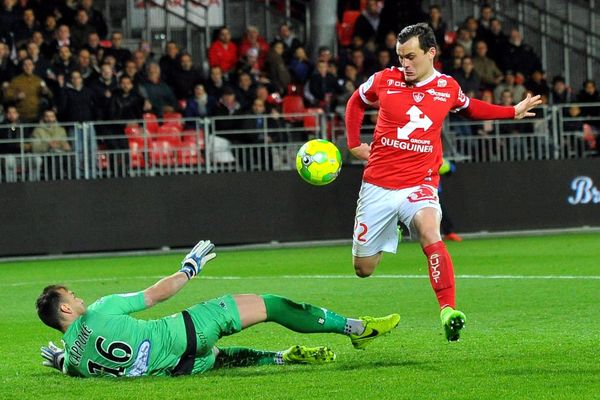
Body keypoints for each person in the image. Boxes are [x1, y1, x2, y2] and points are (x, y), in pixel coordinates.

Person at [344, 23, 541, 341]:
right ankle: (392, 226)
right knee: (363, 269)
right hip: (378, 185)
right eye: (400, 57)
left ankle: (448, 310)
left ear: (430, 53)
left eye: (411, 56)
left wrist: (511, 111)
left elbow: (470, 108)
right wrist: (354, 143)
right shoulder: (384, 80)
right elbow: (356, 101)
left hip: (419, 183)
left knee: (429, 231)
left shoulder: (447, 87)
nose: (404, 63)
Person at [36, 240, 400, 378]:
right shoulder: (100, 310)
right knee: (272, 305)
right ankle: (357, 329)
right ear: (65, 309)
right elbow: (155, 295)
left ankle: (281, 358)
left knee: (220, 358)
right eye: (71, 295)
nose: (78, 296)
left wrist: (59, 361)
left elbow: (66, 363)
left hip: (179, 368)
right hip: (187, 331)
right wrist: (188, 268)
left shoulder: (75, 365)